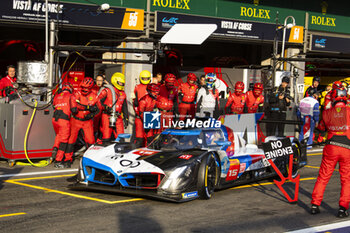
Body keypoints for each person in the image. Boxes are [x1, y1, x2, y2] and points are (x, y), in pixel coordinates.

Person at [310, 88, 350, 218]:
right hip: (347, 148)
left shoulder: (327, 112)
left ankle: (315, 205)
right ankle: (342, 209)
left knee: (323, 177)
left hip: (331, 147)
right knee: (346, 179)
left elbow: (321, 127)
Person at [63, 77, 99, 168]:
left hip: (87, 122)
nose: (84, 89)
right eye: (83, 87)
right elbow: (76, 105)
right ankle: (68, 159)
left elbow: (98, 109)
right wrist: (87, 108)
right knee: (71, 140)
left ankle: (91, 159)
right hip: (76, 120)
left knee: (90, 141)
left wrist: (91, 115)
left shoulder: (95, 96)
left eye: (86, 88)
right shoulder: (77, 93)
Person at [52, 83, 77, 168]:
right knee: (64, 140)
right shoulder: (71, 96)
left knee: (58, 135)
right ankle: (58, 160)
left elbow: (53, 105)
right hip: (64, 120)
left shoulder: (57, 95)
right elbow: (74, 109)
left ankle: (55, 149)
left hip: (55, 119)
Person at [98, 72, 129, 142]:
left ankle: (119, 152)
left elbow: (124, 106)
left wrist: (126, 118)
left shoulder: (123, 93)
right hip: (107, 115)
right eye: (120, 83)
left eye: (122, 83)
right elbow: (98, 102)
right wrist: (105, 107)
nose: (122, 84)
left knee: (121, 137)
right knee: (106, 137)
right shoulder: (107, 90)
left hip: (118, 116)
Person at [133, 70, 152, 148]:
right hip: (140, 114)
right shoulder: (137, 87)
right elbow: (135, 102)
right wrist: (138, 113)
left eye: (146, 78)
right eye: (143, 78)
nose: (145, 80)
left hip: (150, 115)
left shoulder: (153, 87)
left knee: (150, 138)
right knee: (139, 139)